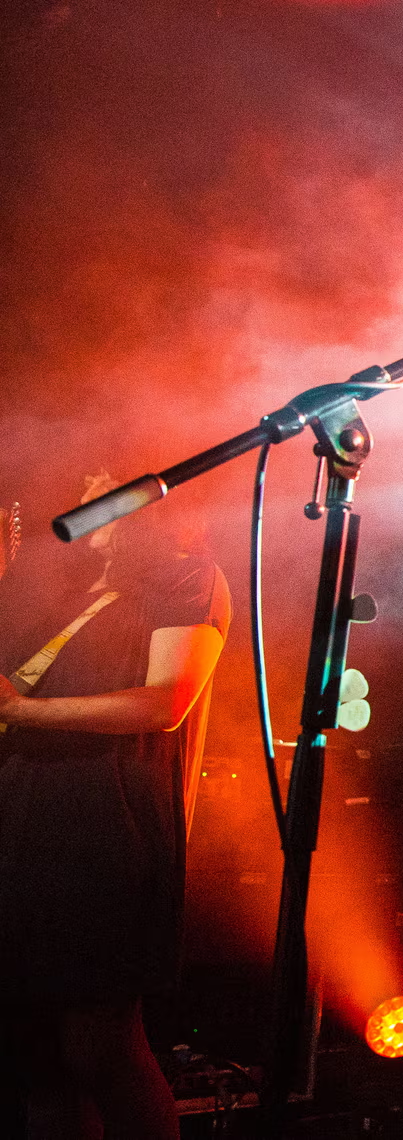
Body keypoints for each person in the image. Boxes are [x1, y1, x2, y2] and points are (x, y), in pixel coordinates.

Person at [0, 477, 230, 1139]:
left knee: (99, 1046)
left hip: (104, 830)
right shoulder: (63, 593)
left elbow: (165, 703)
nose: (86, 503)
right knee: (37, 1057)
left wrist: (21, 711)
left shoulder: (188, 578)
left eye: (105, 491)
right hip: (25, 821)